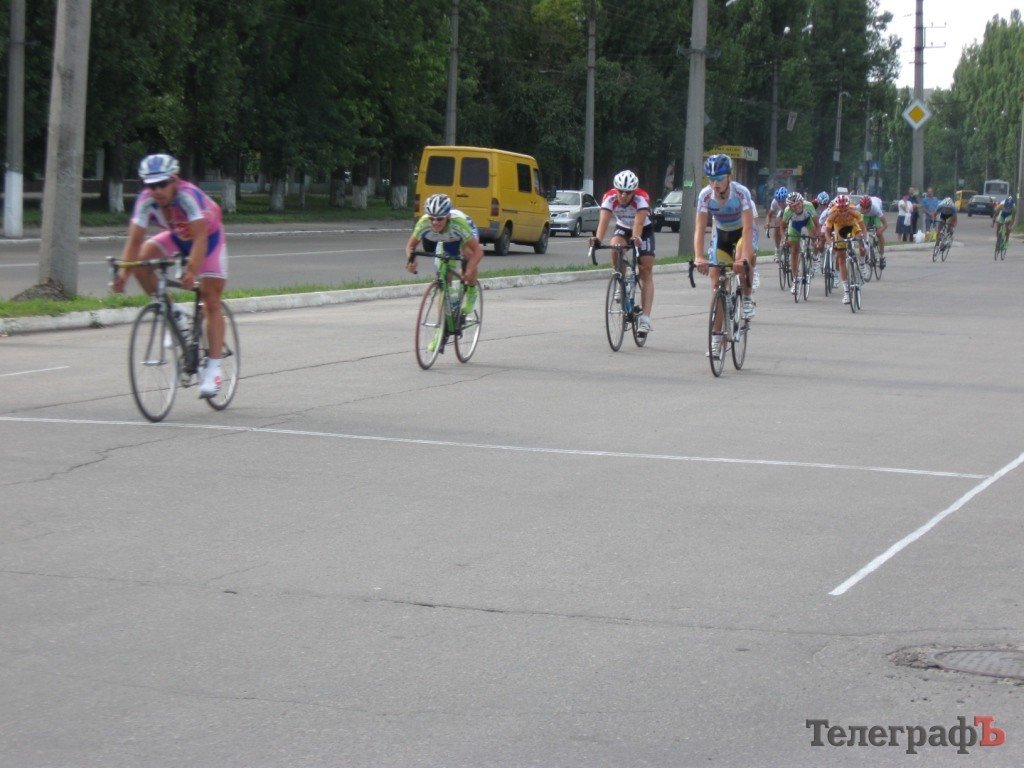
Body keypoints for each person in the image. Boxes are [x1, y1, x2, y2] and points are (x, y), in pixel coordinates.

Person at [112, 154, 228, 398]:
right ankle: (173, 311)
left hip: (208, 239)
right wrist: (124, 273)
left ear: (175, 180)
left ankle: (214, 370)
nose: (157, 190)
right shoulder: (145, 201)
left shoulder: (188, 196)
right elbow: (134, 240)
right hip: (177, 236)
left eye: (162, 183)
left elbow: (200, 238)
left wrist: (192, 271)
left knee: (210, 298)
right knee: (142, 260)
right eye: (151, 185)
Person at [694, 153, 758, 356]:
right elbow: (699, 227)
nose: (715, 184)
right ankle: (716, 338)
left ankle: (747, 296)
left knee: (741, 260)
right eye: (711, 179)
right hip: (722, 233)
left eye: (719, 179)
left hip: (742, 231)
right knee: (716, 285)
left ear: (729, 176)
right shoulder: (705, 195)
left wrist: (744, 258)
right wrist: (699, 256)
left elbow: (748, 227)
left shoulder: (741, 193)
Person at [405, 194, 484, 349]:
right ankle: (442, 330)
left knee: (468, 255)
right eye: (432, 218)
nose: (435, 222)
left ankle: (472, 290)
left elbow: (478, 252)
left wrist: (468, 270)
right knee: (442, 279)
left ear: (448, 216)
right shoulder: (423, 223)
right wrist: (411, 260)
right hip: (446, 241)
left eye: (440, 218)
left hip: (463, 235)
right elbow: (410, 246)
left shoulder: (458, 223)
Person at [590, 170, 656, 335]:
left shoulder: (642, 198)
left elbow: (639, 224)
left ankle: (645, 320)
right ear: (615, 189)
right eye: (620, 191)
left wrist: (636, 238)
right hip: (622, 228)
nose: (624, 195)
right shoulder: (609, 198)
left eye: (628, 192)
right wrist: (597, 240)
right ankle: (620, 279)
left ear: (634, 191)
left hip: (643, 230)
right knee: (615, 246)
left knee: (646, 270)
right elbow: (604, 222)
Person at [822, 194, 866, 306]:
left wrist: (863, 241)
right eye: (840, 209)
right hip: (840, 230)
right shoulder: (832, 213)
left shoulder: (853, 210)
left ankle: (860, 266)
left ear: (848, 206)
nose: (842, 212)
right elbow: (827, 232)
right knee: (841, 259)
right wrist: (831, 242)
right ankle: (846, 291)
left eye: (845, 209)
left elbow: (862, 225)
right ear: (836, 207)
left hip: (852, 226)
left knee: (860, 238)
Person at [782, 192, 820, 295]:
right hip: (794, 226)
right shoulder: (787, 211)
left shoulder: (809, 206)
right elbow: (783, 226)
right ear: (789, 206)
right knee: (794, 251)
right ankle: (795, 280)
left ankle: (814, 258)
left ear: (802, 202)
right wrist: (784, 238)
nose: (797, 207)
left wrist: (816, 236)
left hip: (808, 222)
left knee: (815, 242)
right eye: (793, 206)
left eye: (798, 204)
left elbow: (817, 223)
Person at [857, 194, 889, 269]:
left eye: (867, 208)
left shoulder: (876, 208)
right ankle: (865, 253)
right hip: (866, 216)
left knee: (879, 233)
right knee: (861, 233)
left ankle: (881, 256)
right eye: (863, 208)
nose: (864, 210)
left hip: (875, 215)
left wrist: (880, 230)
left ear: (870, 206)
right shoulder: (858, 208)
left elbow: (886, 224)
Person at [765, 186, 788, 260]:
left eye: (783, 201)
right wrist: (768, 223)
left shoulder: (790, 201)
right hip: (781, 214)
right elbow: (769, 215)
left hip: (790, 213)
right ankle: (777, 250)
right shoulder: (774, 202)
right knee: (777, 226)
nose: (781, 203)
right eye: (779, 201)